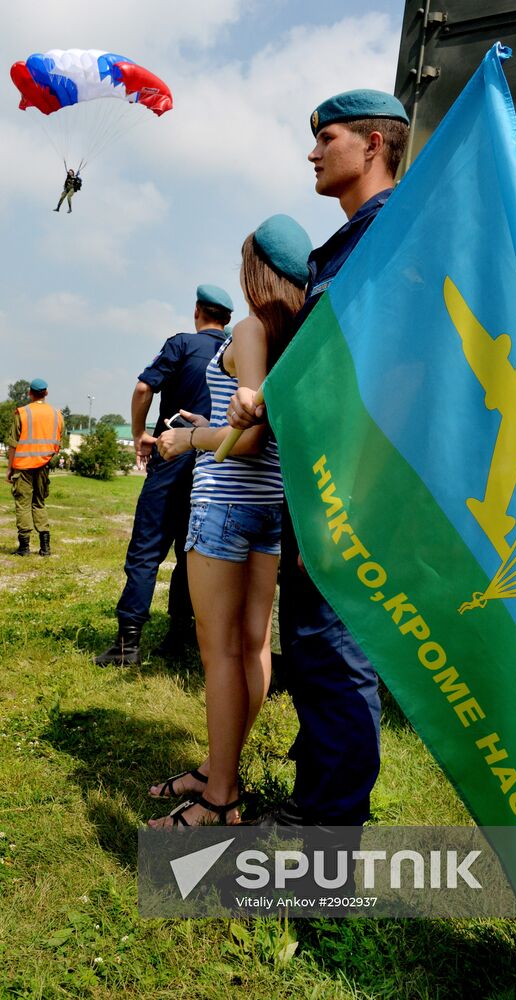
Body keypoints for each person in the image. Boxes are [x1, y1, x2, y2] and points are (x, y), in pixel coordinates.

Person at [229, 90, 410, 826]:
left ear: (371, 144)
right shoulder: (348, 243)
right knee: (312, 649)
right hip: (320, 486)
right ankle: (318, 798)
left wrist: (349, 505)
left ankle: (329, 843)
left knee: (336, 659)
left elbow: (395, 381)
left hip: (350, 492)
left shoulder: (392, 236)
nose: (312, 152)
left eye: (324, 138)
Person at [147, 214, 312, 827]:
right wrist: (208, 419)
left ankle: (220, 799)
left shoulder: (249, 328)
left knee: (218, 656)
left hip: (223, 508)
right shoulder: (296, 332)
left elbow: (243, 440)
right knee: (252, 646)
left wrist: (185, 441)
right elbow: (252, 420)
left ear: (256, 272)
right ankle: (221, 771)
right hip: (268, 510)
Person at [94, 285, 233, 667]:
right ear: (227, 319)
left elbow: (143, 387)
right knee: (191, 553)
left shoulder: (182, 343)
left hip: (172, 456)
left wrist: (140, 433)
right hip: (210, 463)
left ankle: (128, 644)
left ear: (197, 312)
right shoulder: (232, 351)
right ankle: (179, 634)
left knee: (145, 551)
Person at [6, 378, 63, 557]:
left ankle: (24, 548)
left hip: (22, 466)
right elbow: (58, 442)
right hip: (44, 465)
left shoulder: (22, 413)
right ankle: (45, 547)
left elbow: (13, 444)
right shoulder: (57, 414)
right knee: (39, 503)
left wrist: (9, 468)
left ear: (30, 392)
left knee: (23, 505)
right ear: (46, 393)